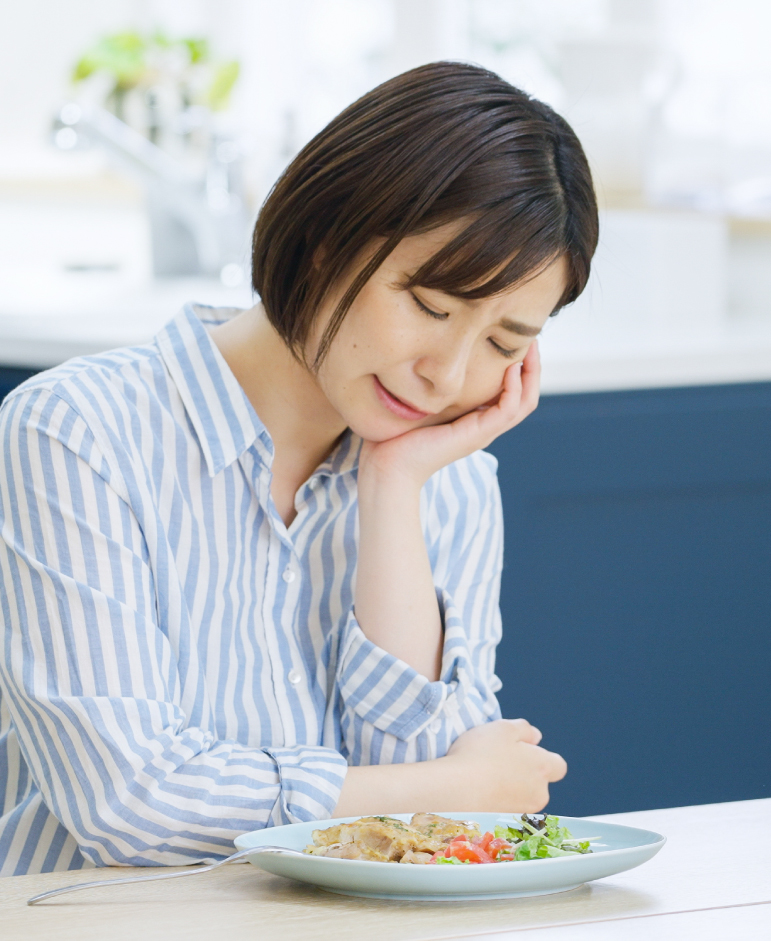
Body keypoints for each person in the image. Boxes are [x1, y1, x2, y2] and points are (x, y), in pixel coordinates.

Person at [0, 61, 598, 875]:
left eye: (502, 342)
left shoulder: (449, 484)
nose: (449, 375)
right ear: (328, 242)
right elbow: (129, 802)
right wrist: (444, 783)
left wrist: (393, 491)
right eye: (429, 305)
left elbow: (443, 833)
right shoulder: (78, 431)